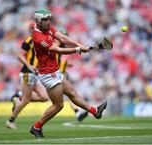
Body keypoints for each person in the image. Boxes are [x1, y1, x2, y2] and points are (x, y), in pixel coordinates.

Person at [30, 9, 107, 138]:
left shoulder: (49, 28)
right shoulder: (38, 37)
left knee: (72, 93)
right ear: (37, 21)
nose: (48, 22)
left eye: (49, 19)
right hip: (48, 75)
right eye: (45, 20)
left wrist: (79, 45)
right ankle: (36, 127)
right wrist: (77, 49)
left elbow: (63, 38)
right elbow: (57, 49)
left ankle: (95, 112)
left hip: (55, 71)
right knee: (58, 105)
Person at [6, 22, 49, 129]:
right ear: (31, 29)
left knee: (44, 97)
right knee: (26, 100)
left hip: (36, 73)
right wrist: (29, 66)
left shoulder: (40, 39)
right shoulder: (28, 41)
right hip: (27, 72)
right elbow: (20, 56)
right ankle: (10, 121)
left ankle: (18, 98)